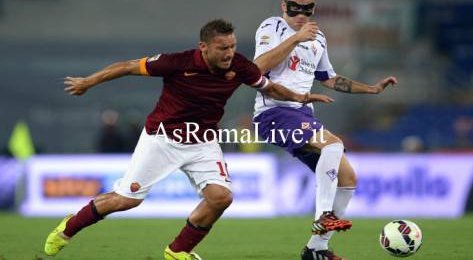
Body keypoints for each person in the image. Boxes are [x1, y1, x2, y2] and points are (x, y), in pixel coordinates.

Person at [44, 19, 333, 260]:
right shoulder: (177, 62)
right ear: (204, 48)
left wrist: (301, 97)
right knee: (125, 200)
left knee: (221, 198)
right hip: (162, 138)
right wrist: (88, 82)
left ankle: (178, 250)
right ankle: (68, 228)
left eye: (232, 46)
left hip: (203, 141)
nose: (229, 54)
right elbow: (128, 66)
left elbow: (270, 88)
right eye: (222, 48)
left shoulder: (241, 66)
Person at [252, 0, 398, 260]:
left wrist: (371, 89)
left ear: (313, 8)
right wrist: (296, 38)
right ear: (284, 6)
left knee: (348, 177)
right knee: (333, 146)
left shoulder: (318, 39)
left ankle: (316, 249)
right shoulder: (271, 27)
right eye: (295, 8)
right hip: (273, 113)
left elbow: (329, 78)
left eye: (307, 9)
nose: (300, 14)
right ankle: (323, 215)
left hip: (302, 115)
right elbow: (257, 69)